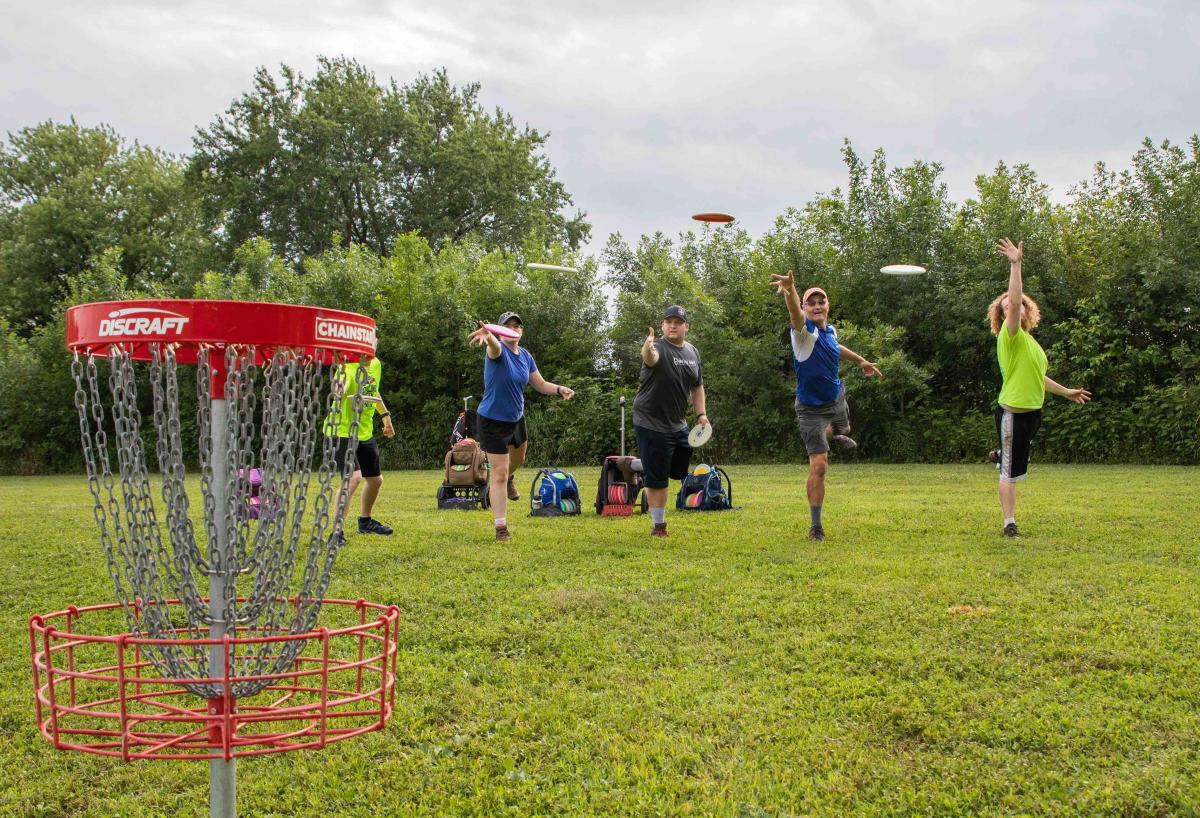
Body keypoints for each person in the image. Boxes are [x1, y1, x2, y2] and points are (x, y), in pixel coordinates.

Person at [989, 238, 1092, 537]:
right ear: (1002, 315)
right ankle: (1009, 523)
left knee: (1017, 461)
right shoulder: (1009, 337)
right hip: (1012, 413)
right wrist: (1016, 264)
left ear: (1027, 309)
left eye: (1018, 303)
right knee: (1010, 472)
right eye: (1008, 304)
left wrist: (1067, 392)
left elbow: (1039, 379)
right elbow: (1014, 294)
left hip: (1033, 415)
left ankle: (1001, 452)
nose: (1014, 305)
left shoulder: (1031, 344)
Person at [770, 272, 881, 542]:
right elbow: (795, 314)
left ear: (828, 306)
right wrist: (791, 289)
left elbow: (836, 346)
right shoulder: (803, 334)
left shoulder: (828, 331)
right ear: (807, 308)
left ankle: (835, 431)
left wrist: (861, 361)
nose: (817, 306)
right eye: (812, 303)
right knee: (819, 466)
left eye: (822, 301)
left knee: (845, 428)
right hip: (810, 408)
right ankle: (816, 526)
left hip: (836, 398)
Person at [468, 311, 574, 542]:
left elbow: (540, 383)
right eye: (508, 326)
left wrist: (559, 389)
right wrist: (489, 336)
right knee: (499, 472)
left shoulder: (525, 356)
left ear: (521, 331)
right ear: (501, 330)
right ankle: (501, 528)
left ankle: (508, 480)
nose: (513, 330)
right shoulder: (497, 351)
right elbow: (494, 347)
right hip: (492, 421)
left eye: (517, 326)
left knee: (517, 460)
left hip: (516, 419)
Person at [633, 305, 710, 538]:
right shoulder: (657, 348)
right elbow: (650, 357)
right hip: (650, 421)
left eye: (678, 322)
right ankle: (659, 526)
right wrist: (646, 349)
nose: (672, 325)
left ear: (686, 326)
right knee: (658, 479)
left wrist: (701, 414)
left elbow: (697, 386)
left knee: (676, 471)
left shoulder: (692, 353)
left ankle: (633, 466)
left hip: (678, 424)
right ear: (663, 325)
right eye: (668, 321)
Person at [324, 342, 395, 538]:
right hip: (341, 431)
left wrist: (385, 416)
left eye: (374, 344)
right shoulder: (348, 366)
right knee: (353, 478)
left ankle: (365, 521)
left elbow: (373, 391)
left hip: (364, 431)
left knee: (375, 480)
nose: (372, 348)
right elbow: (339, 388)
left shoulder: (376, 364)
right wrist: (339, 389)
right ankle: (336, 532)